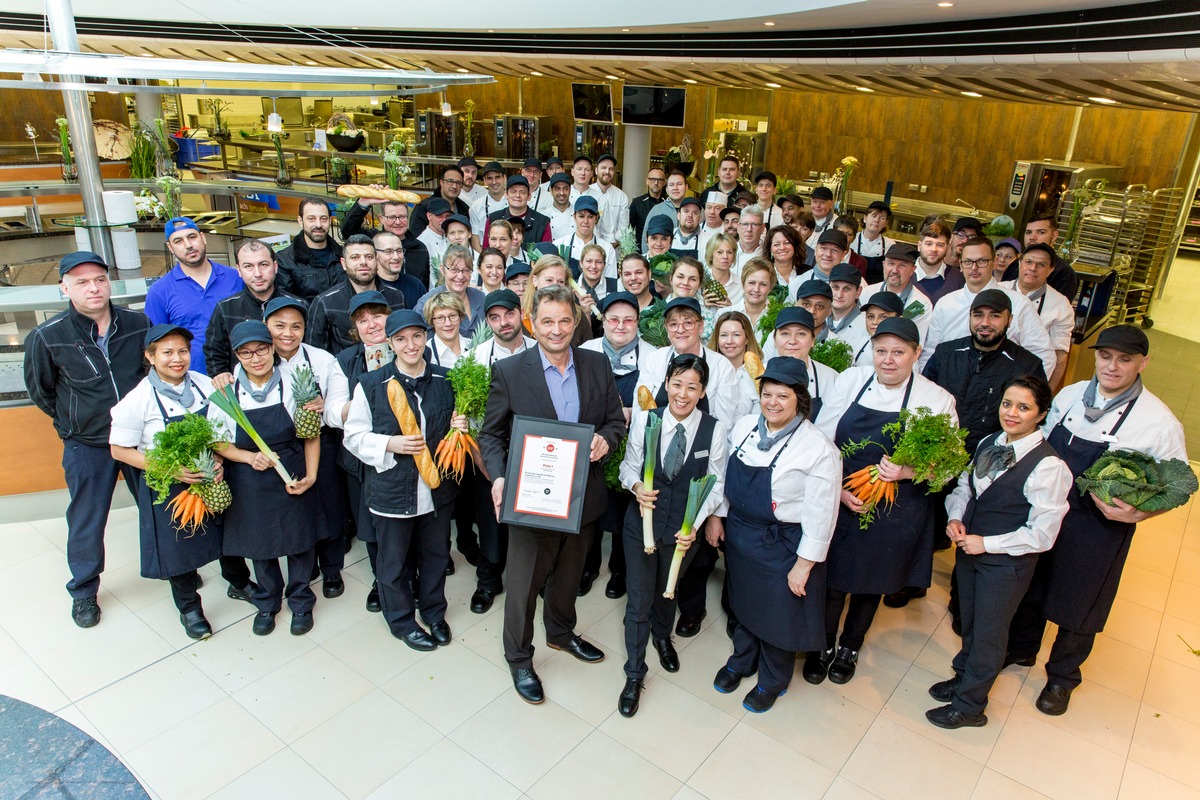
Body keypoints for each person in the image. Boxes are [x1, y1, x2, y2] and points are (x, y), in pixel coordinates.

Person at [1006, 325, 1185, 716]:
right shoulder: (1069, 397)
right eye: (1106, 357)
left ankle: (1062, 678)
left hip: (1099, 526)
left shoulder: (1159, 422)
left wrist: (1141, 512)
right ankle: (1020, 649)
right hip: (1048, 509)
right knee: (1032, 582)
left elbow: (1179, 485)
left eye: (1125, 359)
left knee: (1082, 601)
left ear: (1144, 363)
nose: (1112, 367)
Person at [479, 285, 626, 705]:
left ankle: (561, 633)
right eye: (547, 321)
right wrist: (500, 478)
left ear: (576, 321)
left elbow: (615, 421)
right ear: (532, 322)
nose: (556, 329)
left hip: (583, 498)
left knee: (568, 575)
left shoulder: (597, 365)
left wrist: (605, 440)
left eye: (564, 320)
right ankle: (520, 658)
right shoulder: (510, 372)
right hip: (530, 498)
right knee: (524, 584)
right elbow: (490, 435)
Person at [809, 318, 958, 686]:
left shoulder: (936, 399)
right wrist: (837, 491)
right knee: (833, 581)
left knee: (872, 581)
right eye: (881, 351)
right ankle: (823, 644)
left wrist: (907, 472)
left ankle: (850, 647)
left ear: (917, 353)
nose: (888, 360)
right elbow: (822, 441)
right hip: (844, 497)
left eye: (898, 352)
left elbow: (949, 467)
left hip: (896, 508)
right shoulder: (851, 381)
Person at [926, 375, 1071, 729]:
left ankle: (970, 706)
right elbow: (965, 487)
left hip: (1005, 566)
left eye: (1024, 407)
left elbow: (1042, 534)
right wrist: (956, 517)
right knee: (971, 624)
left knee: (990, 635)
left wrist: (986, 543)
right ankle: (963, 677)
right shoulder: (991, 441)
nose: (1012, 413)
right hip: (970, 552)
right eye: (1008, 403)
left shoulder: (1049, 467)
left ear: (1041, 415)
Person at [24, 251, 151, 627]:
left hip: (138, 439)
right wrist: (72, 424)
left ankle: (175, 567)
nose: (93, 288)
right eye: (81, 282)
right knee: (87, 519)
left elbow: (149, 373)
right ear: (64, 287)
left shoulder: (137, 322)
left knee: (156, 506)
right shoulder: (48, 336)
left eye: (98, 279)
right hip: (88, 442)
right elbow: (42, 392)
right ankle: (83, 591)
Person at [901, 289, 1046, 614]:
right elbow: (923, 395)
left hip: (990, 459)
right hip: (939, 454)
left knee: (974, 528)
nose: (985, 323)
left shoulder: (1026, 364)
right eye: (978, 315)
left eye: (995, 316)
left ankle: (961, 599)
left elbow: (1033, 415)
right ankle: (911, 582)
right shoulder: (949, 352)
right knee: (927, 519)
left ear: (1009, 320)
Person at [711, 357, 842, 712]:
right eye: (767, 394)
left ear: (800, 398)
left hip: (782, 544)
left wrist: (804, 565)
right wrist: (717, 518)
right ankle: (742, 660)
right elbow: (723, 479)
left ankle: (773, 680)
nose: (772, 402)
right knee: (743, 604)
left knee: (779, 616)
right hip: (740, 536)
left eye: (782, 396)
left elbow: (822, 514)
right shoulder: (743, 428)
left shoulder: (818, 449)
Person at [342, 309, 467, 650]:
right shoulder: (371, 384)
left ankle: (434, 612)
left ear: (425, 337)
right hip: (393, 490)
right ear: (390, 343)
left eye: (416, 336)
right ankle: (400, 621)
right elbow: (352, 437)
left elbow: (455, 425)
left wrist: (462, 428)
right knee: (394, 562)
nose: (410, 345)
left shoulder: (446, 379)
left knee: (436, 556)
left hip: (437, 489)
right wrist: (389, 443)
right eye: (400, 339)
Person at [616, 353, 728, 716]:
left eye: (692, 387)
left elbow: (716, 485)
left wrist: (693, 526)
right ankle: (634, 673)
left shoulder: (714, 429)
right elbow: (628, 465)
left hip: (681, 533)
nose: (683, 394)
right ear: (666, 385)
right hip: (641, 526)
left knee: (668, 591)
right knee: (638, 598)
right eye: (677, 384)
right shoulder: (647, 420)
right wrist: (635, 485)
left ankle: (663, 636)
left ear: (702, 391)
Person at [109, 324, 223, 639]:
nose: (177, 359)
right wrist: (169, 469)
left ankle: (239, 583)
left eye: (183, 351)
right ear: (150, 356)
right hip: (169, 486)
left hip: (210, 476)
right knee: (179, 550)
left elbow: (223, 431)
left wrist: (219, 459)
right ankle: (190, 608)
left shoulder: (203, 384)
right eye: (168, 352)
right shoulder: (138, 399)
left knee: (226, 535)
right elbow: (119, 449)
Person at [208, 321, 320, 637]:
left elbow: (311, 434)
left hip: (292, 467)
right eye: (246, 353)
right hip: (250, 477)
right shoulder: (227, 392)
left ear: (272, 348)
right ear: (237, 356)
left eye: (261, 349)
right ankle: (268, 601)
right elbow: (217, 441)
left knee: (299, 540)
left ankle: (300, 600)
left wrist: (311, 475)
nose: (255, 358)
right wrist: (248, 457)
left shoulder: (296, 382)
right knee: (261, 544)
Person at [262, 297, 350, 599]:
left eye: (296, 326)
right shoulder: (258, 359)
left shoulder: (322, 359)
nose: (288, 333)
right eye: (280, 326)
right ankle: (305, 565)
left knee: (329, 506)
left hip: (321, 440)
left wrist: (326, 405)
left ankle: (332, 569)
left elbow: (340, 402)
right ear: (266, 327)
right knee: (295, 511)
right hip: (280, 448)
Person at [581, 292, 660, 599]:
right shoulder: (586, 351)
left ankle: (619, 570)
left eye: (629, 320)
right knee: (590, 508)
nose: (621, 326)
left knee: (624, 509)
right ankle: (587, 566)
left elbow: (655, 403)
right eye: (613, 319)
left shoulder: (652, 356)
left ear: (638, 323)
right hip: (594, 440)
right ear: (604, 322)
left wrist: (633, 412)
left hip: (632, 445)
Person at [332, 291, 394, 614]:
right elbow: (331, 412)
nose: (372, 325)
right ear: (355, 327)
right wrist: (362, 407)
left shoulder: (406, 347)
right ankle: (379, 579)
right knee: (370, 523)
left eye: (378, 316)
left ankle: (406, 574)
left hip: (403, 453)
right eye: (363, 320)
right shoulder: (345, 360)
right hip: (361, 458)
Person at [920, 238, 1056, 377]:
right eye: (968, 262)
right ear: (960, 265)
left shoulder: (1019, 303)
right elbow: (930, 352)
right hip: (948, 386)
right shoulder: (945, 304)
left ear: (995, 262)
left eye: (982, 261)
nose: (974, 268)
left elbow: (1043, 354)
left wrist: (1021, 392)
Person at [145, 217, 243, 376]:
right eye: (178, 241)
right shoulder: (159, 291)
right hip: (192, 380)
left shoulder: (236, 277)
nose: (188, 245)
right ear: (170, 248)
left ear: (203, 238)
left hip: (240, 373)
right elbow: (156, 344)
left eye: (192, 237)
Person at [205, 240, 303, 379]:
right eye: (248, 266)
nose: (257, 273)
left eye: (263, 265)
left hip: (295, 389)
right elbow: (214, 355)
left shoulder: (297, 306)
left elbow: (311, 351)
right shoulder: (226, 309)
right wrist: (223, 379)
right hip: (243, 392)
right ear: (239, 270)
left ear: (275, 267)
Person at [635, 297, 739, 423]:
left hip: (703, 440)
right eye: (673, 324)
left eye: (688, 323)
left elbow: (724, 422)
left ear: (701, 326)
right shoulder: (655, 359)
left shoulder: (722, 367)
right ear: (666, 329)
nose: (680, 330)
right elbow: (640, 412)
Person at [306, 235, 407, 355]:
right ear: (343, 263)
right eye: (355, 257)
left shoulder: (396, 296)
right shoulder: (325, 303)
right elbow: (315, 354)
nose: (363, 262)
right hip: (345, 372)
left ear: (377, 260)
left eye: (369, 257)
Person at [1003, 242, 1074, 389]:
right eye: (1028, 262)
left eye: (1041, 265)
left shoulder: (1060, 304)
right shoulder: (998, 289)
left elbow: (1060, 356)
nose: (1033, 268)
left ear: (1050, 270)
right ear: (1019, 263)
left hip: (1030, 379)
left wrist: (1045, 396)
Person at [340, 191, 431, 289]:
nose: (398, 222)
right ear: (381, 218)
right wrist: (363, 204)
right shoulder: (372, 241)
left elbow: (424, 283)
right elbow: (348, 231)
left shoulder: (419, 248)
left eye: (402, 217)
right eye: (392, 217)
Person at [761, 307, 838, 418]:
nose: (792, 341)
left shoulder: (831, 378)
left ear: (812, 340)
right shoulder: (755, 375)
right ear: (774, 339)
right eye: (785, 334)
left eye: (801, 334)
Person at [274, 198, 343, 302]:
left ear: (330, 220)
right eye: (311, 219)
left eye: (323, 219)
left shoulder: (344, 255)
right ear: (300, 221)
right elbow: (284, 302)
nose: (319, 225)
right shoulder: (284, 260)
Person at [863, 242, 933, 342]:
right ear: (883, 265)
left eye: (902, 265)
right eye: (891, 263)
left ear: (913, 270)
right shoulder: (867, 293)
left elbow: (916, 343)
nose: (895, 270)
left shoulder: (921, 303)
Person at [414, 244, 487, 339]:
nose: (460, 276)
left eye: (465, 270)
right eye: (454, 270)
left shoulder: (480, 297)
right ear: (443, 270)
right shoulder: (426, 303)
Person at [1002, 212, 1079, 301]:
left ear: (1054, 236)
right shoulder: (1015, 264)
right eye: (1028, 232)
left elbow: (1058, 309)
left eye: (1041, 232)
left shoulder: (1064, 273)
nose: (1032, 237)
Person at [520, 255, 592, 347]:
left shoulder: (577, 315)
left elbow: (588, 350)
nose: (555, 286)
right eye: (549, 280)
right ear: (535, 280)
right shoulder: (520, 316)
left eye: (560, 282)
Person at [710, 310, 764, 416]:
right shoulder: (709, 369)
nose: (729, 341)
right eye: (724, 335)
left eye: (736, 335)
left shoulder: (759, 372)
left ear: (747, 339)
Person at [554, 196, 617, 278]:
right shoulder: (559, 245)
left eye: (590, 217)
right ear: (574, 216)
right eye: (581, 216)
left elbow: (611, 283)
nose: (586, 221)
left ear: (596, 218)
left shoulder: (607, 249)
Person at [485, 175, 553, 245]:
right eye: (513, 191)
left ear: (529, 196)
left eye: (522, 192)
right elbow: (486, 250)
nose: (517, 195)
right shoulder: (493, 219)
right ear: (506, 194)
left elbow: (546, 254)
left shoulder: (542, 222)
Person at [410, 165, 471, 237]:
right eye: (450, 181)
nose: (454, 186)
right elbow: (415, 238)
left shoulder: (464, 209)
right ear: (441, 183)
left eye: (458, 183)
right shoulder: (424, 208)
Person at [913, 221, 964, 306]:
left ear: (947, 248)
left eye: (940, 245)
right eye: (929, 244)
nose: (934, 249)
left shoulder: (959, 278)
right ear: (919, 246)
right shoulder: (904, 273)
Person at [373, 231, 428, 305]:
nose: (396, 257)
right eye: (388, 252)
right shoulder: (370, 287)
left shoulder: (416, 285)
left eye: (399, 251)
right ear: (375, 255)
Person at [850, 292, 904, 367]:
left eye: (883, 317)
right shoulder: (854, 346)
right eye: (870, 317)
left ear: (899, 319)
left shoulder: (905, 351)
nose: (875, 322)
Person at [641, 170, 689, 251]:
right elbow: (646, 238)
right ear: (666, 189)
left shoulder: (695, 209)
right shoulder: (656, 210)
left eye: (679, 184)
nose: (675, 188)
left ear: (686, 187)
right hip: (661, 259)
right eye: (671, 185)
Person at [851, 200, 896, 285]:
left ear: (885, 223)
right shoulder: (852, 240)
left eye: (882, 218)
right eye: (873, 216)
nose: (877, 220)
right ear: (865, 218)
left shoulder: (890, 245)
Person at [727, 258, 776, 330]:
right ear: (743, 284)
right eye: (752, 283)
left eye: (763, 284)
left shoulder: (778, 315)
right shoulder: (725, 314)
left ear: (770, 287)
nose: (756, 289)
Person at [422, 292, 469, 367]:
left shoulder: (475, 346)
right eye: (440, 318)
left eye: (452, 316)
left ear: (461, 317)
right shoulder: (424, 354)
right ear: (432, 322)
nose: (448, 323)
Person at [593, 153, 630, 248]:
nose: (607, 171)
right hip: (590, 247)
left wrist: (613, 243)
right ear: (596, 170)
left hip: (614, 248)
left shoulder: (621, 196)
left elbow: (623, 227)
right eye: (603, 168)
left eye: (611, 169)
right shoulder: (588, 193)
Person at [826, 263, 866, 347]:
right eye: (835, 287)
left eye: (847, 289)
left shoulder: (867, 324)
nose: (839, 295)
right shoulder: (819, 319)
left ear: (858, 292)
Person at [469, 161, 508, 246]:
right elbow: (475, 243)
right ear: (485, 181)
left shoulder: (514, 203)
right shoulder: (476, 207)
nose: (494, 182)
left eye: (497, 177)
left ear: (504, 178)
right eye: (490, 178)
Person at [761, 224, 806, 298]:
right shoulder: (763, 274)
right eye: (776, 244)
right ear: (770, 249)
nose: (782, 247)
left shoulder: (808, 272)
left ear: (795, 246)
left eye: (787, 243)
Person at [630, 166, 667, 244]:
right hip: (640, 252)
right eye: (653, 179)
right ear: (647, 181)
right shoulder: (637, 203)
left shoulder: (668, 203)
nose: (656, 183)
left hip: (663, 250)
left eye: (660, 180)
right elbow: (630, 229)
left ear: (664, 183)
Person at [704, 233, 742, 307]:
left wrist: (730, 309)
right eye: (720, 252)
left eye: (729, 252)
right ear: (711, 255)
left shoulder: (741, 285)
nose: (725, 256)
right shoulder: (700, 283)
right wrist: (703, 307)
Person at [416, 197, 453, 266]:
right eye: (439, 216)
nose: (444, 220)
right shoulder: (421, 242)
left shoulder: (452, 237)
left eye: (447, 216)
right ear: (429, 216)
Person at [543, 173, 577, 240]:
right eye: (557, 189)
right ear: (551, 191)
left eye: (565, 188)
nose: (562, 193)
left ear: (570, 190)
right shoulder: (543, 216)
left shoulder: (579, 214)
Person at [734, 205, 766, 271]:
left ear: (762, 228)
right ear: (738, 227)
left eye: (754, 224)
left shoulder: (768, 254)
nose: (749, 229)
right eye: (745, 224)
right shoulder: (728, 252)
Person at [698, 191, 728, 255]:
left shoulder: (728, 232)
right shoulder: (697, 229)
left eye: (717, 208)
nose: (712, 212)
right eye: (709, 207)